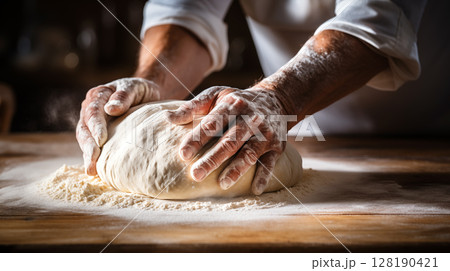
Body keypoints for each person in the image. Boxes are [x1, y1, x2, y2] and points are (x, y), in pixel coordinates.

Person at [77, 0, 430, 195]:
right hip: (285, 130)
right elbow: (185, 13)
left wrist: (278, 99)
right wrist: (151, 84)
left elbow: (377, 22)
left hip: (428, 136)